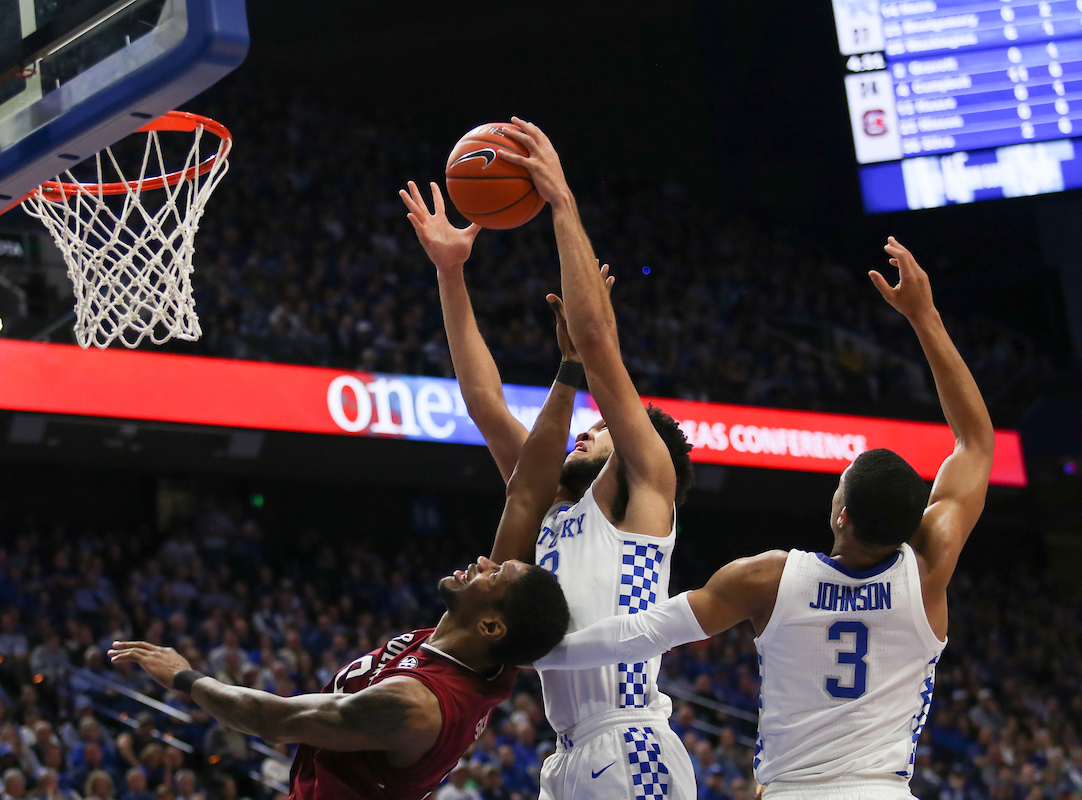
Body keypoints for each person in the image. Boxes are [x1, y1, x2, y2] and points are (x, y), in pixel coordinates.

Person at [536, 238, 996, 800]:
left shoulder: (771, 579)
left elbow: (643, 632)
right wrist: (925, 316)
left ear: (841, 513)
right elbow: (974, 441)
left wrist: (542, 652)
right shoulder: (928, 572)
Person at [402, 117, 697, 800]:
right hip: (567, 756)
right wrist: (451, 272)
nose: (586, 432)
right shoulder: (553, 503)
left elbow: (594, 342)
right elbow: (483, 401)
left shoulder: (645, 489)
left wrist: (561, 201)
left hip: (629, 739)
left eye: (602, 429)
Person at [108, 393, 574, 800]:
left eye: (495, 575)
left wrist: (182, 676)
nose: (485, 563)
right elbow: (524, 494)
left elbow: (271, 718)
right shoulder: (480, 648)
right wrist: (570, 372)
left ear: (491, 624)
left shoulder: (414, 705)